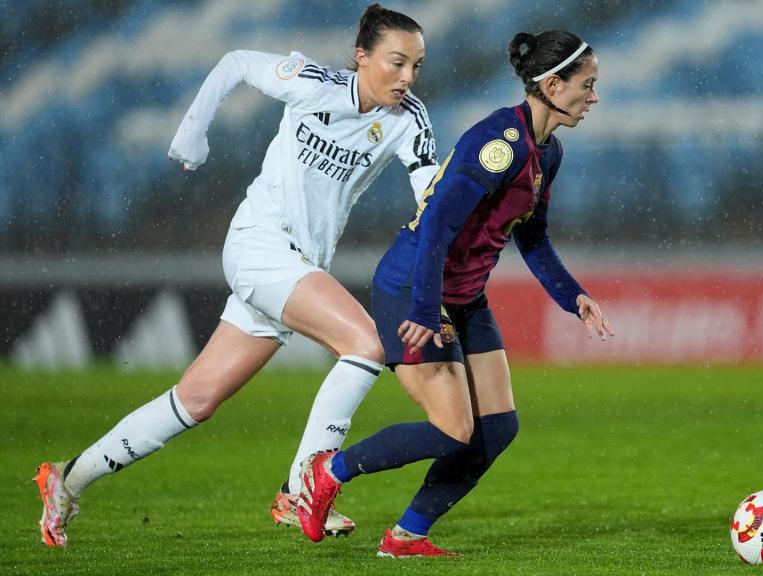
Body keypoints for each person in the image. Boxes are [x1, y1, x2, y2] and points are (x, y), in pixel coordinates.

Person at [34, 4, 439, 547]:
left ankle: (68, 478)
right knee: (365, 344)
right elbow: (236, 61)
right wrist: (193, 132)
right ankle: (301, 489)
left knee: (196, 399)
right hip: (259, 246)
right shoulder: (313, 83)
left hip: (296, 265)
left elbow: (430, 198)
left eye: (416, 65)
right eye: (396, 63)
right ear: (362, 56)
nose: (407, 77)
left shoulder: (408, 120)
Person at [294, 30, 613, 558]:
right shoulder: (499, 144)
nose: (594, 96)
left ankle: (407, 535)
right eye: (589, 84)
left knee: (499, 426)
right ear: (553, 85)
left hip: (463, 297)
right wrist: (423, 308)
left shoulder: (546, 153)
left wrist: (572, 296)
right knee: (452, 430)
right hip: (414, 287)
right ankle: (326, 470)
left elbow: (531, 237)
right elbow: (436, 226)